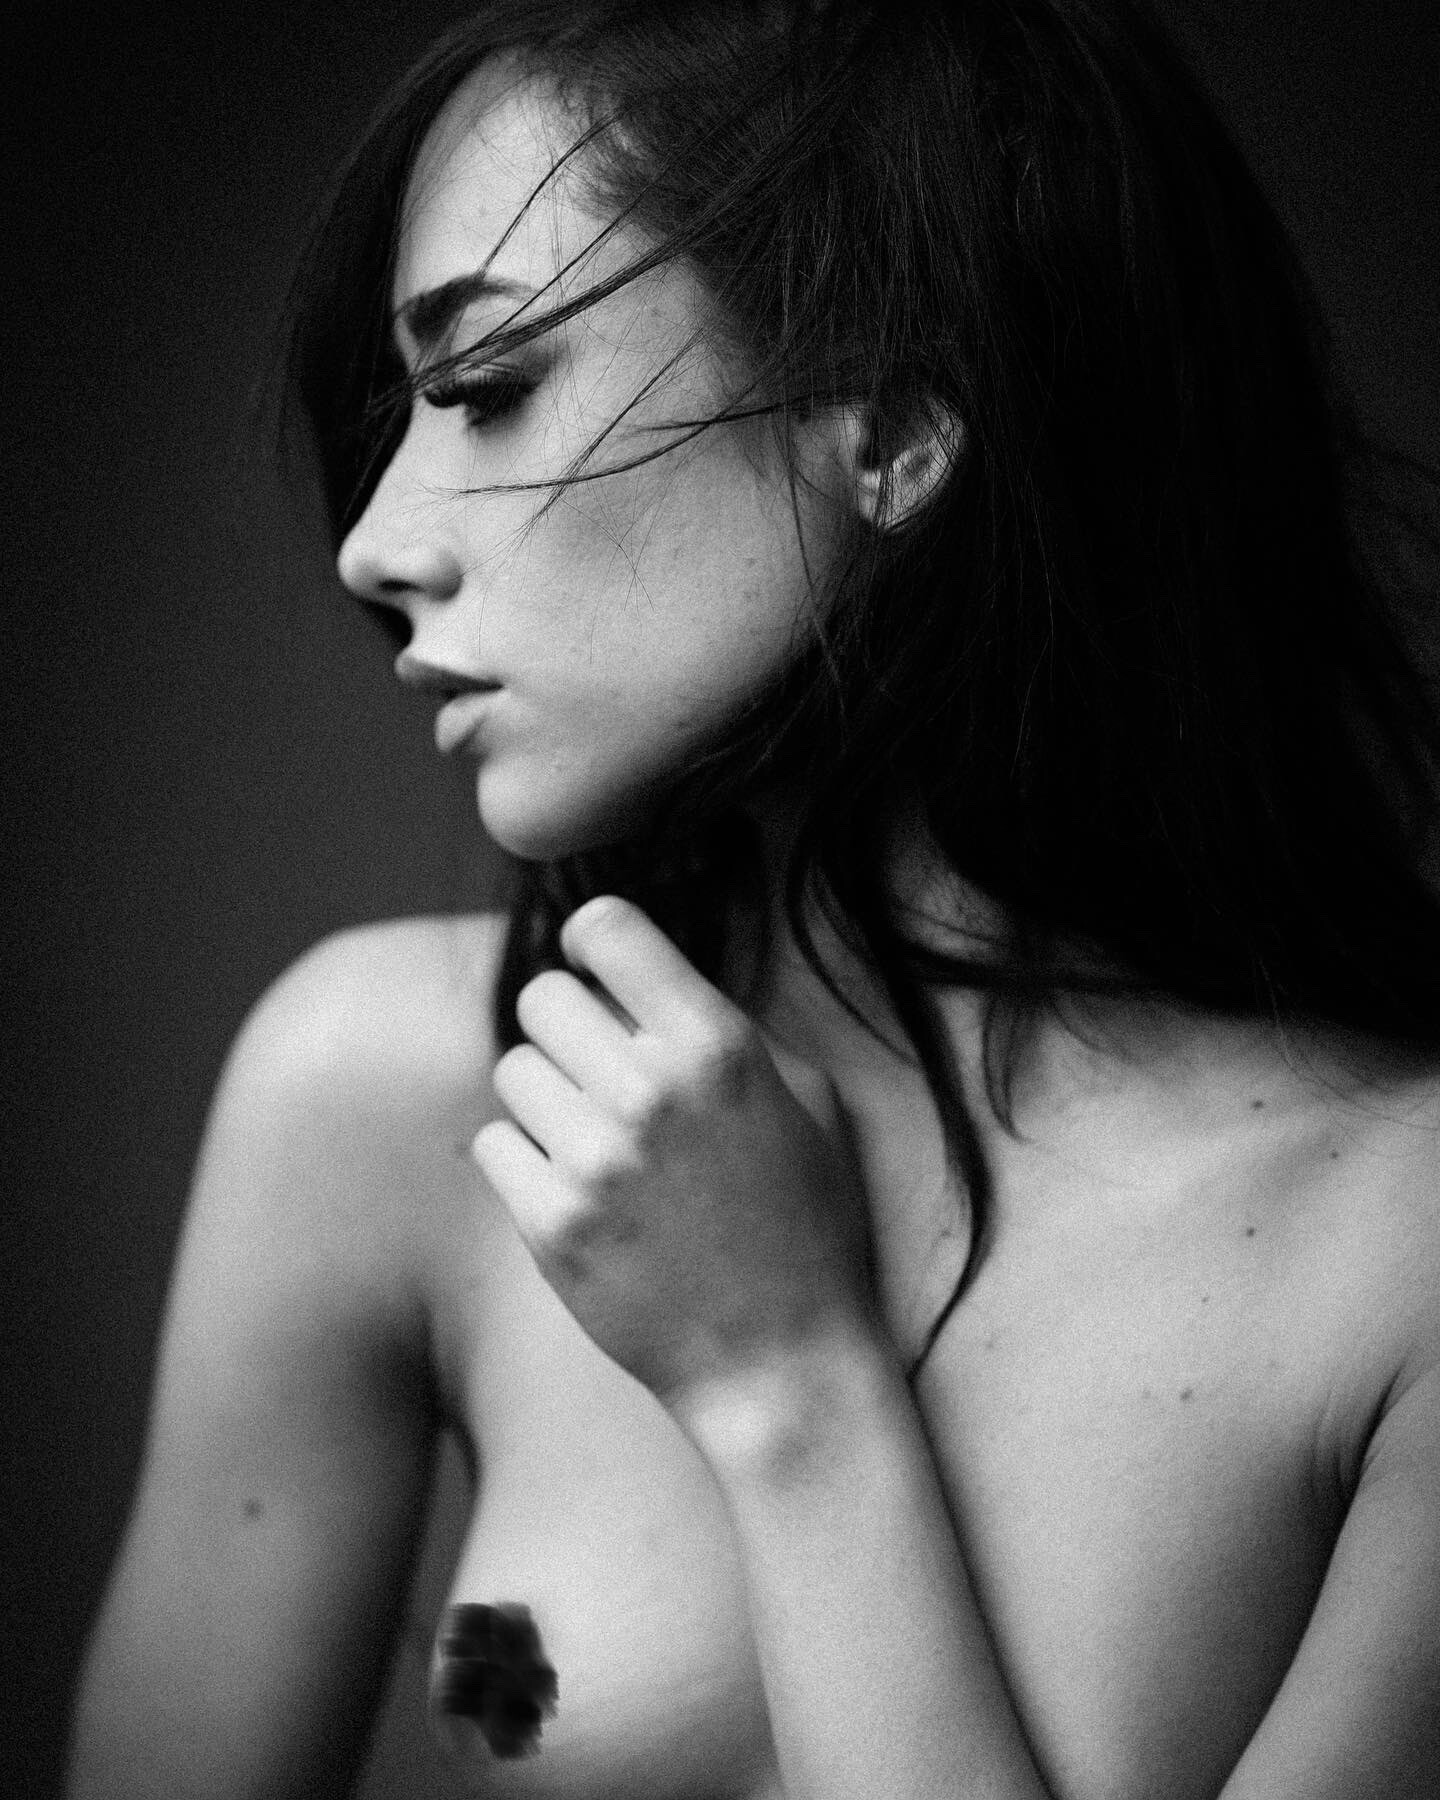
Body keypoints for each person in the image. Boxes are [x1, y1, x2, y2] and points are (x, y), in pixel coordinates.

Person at [67, 1, 1440, 1796]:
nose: (376, 542)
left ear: (896, 426)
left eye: (485, 384)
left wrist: (789, 1386)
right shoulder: (392, 1098)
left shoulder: (1395, 1250)